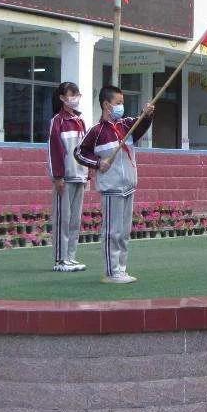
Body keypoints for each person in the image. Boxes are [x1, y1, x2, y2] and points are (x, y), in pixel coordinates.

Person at [78, 85, 156, 283]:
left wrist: (147, 115)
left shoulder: (126, 125)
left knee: (124, 232)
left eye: (122, 102)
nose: (121, 106)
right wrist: (97, 163)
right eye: (118, 103)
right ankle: (112, 272)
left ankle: (122, 268)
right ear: (107, 105)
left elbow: (141, 125)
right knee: (113, 232)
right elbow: (79, 153)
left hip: (129, 185)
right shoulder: (96, 131)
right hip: (111, 188)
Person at [47, 81, 89, 273]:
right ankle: (60, 259)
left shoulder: (80, 121)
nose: (75, 98)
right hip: (65, 178)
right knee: (63, 219)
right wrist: (58, 176)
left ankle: (71, 256)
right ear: (62, 98)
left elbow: (85, 149)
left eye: (77, 94)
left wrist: (88, 173)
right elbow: (54, 150)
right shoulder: (57, 121)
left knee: (74, 220)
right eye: (72, 94)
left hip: (80, 176)